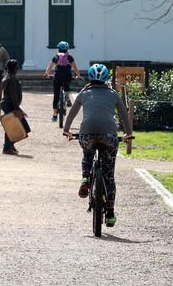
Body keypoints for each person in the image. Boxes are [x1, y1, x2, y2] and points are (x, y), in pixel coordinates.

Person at [63, 63, 133, 228]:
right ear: (106, 78)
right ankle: (109, 213)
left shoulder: (84, 93)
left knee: (87, 154)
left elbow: (72, 113)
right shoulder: (113, 94)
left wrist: (67, 130)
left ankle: (86, 176)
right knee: (109, 175)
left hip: (87, 133)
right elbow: (124, 116)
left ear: (90, 78)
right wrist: (128, 134)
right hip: (109, 136)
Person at [43, 41, 80, 122]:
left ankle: (54, 115)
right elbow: (75, 67)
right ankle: (67, 97)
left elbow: (49, 68)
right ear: (67, 49)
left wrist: (46, 74)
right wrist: (78, 75)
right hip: (67, 76)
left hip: (58, 77)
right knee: (67, 81)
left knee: (56, 95)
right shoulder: (70, 57)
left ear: (58, 49)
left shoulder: (55, 57)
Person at [0, 59, 29, 155]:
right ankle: (7, 147)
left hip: (9, 104)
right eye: (17, 66)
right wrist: (17, 109)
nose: (18, 68)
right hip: (10, 105)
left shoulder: (8, 77)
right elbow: (13, 96)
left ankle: (9, 145)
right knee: (19, 127)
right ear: (14, 68)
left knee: (14, 126)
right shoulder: (12, 79)